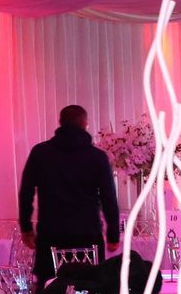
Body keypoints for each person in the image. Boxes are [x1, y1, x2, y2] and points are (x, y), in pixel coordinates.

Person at [18, 105, 120, 284]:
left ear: (60, 123)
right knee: (90, 285)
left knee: (49, 284)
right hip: (87, 233)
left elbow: (26, 192)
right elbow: (108, 197)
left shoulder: (41, 153)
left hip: (51, 232)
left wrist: (26, 228)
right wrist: (113, 235)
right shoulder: (97, 157)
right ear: (85, 124)